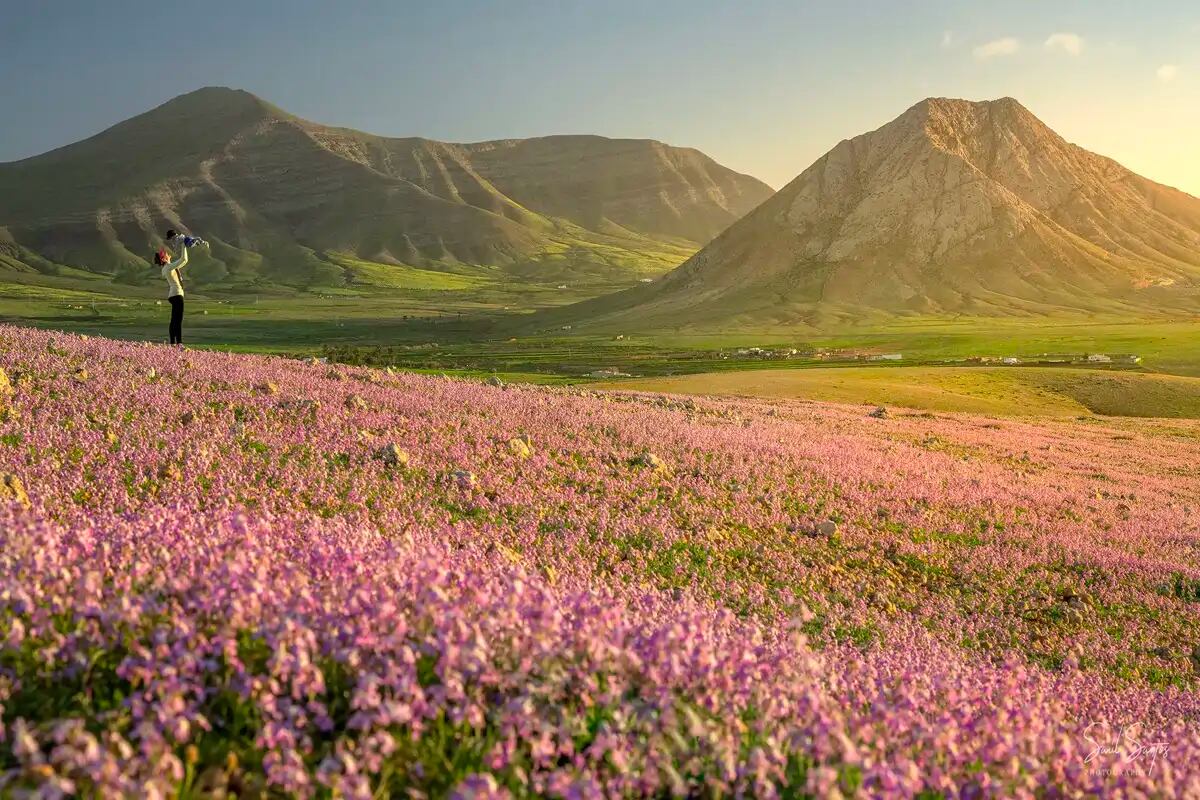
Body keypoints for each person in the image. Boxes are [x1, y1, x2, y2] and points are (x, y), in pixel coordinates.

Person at [157, 243, 189, 345]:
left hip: (173, 295)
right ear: (163, 259)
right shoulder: (169, 267)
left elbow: (183, 262)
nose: (168, 254)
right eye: (166, 254)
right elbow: (183, 260)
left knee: (174, 319)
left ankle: (173, 343)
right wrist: (184, 245)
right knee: (178, 320)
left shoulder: (167, 268)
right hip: (177, 294)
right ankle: (178, 343)